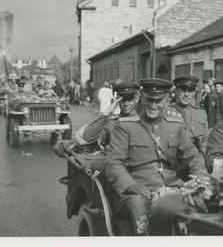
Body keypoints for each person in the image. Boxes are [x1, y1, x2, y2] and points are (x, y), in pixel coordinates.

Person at [105, 78, 209, 236]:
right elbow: (114, 163)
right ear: (142, 97)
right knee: (141, 211)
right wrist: (130, 186)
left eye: (158, 100)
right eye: (149, 100)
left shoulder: (175, 125)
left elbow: (193, 156)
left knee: (197, 212)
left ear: (168, 99)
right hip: (136, 191)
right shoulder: (125, 126)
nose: (153, 106)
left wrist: (201, 180)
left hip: (172, 187)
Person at [80, 82, 140, 151]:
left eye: (129, 100)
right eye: (122, 100)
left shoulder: (143, 122)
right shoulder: (111, 123)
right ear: (118, 101)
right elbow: (88, 137)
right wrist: (106, 113)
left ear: (137, 99)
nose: (126, 104)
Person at [167, 75, 209, 155]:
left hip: (197, 158)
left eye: (190, 91)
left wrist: (204, 147)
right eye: (183, 90)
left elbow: (206, 138)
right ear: (176, 91)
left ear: (194, 93)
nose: (186, 94)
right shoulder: (167, 111)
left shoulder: (201, 112)